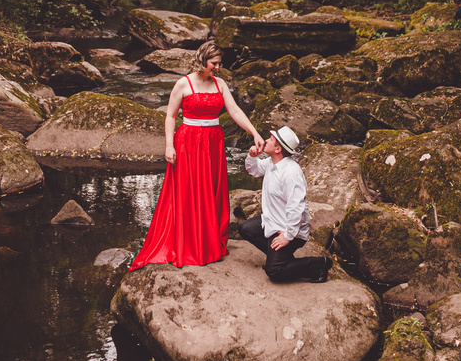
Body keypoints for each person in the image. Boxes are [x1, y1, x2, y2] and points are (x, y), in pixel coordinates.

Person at [130, 41, 265, 270]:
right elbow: (170, 116)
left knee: (210, 189)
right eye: (214, 63)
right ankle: (189, 243)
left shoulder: (219, 83)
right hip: (188, 141)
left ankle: (208, 242)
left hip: (213, 142)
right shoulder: (183, 83)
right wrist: (169, 145)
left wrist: (254, 132)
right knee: (189, 191)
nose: (217, 67)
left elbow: (234, 111)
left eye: (219, 63)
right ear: (202, 60)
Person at [239, 125, 332, 283]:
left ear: (277, 150)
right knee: (245, 229)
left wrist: (288, 235)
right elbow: (254, 170)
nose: (266, 140)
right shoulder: (271, 163)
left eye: (271, 140)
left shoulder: (291, 173)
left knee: (275, 271)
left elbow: (297, 207)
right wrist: (252, 156)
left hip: (290, 228)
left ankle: (319, 265)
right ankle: (281, 258)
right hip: (272, 220)